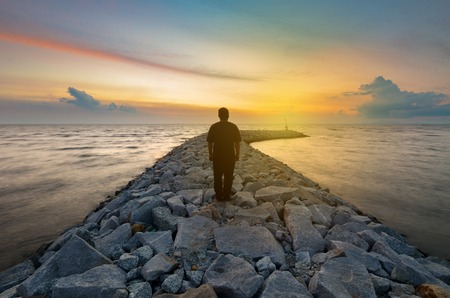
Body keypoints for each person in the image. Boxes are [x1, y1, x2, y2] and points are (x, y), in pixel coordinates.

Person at [207, 107, 241, 201]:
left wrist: (210, 154)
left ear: (218, 115)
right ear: (228, 115)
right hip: (230, 156)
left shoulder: (214, 126)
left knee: (217, 176)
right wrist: (237, 154)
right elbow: (237, 143)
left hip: (217, 156)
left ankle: (218, 196)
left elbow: (210, 142)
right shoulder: (233, 126)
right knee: (228, 176)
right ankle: (226, 196)